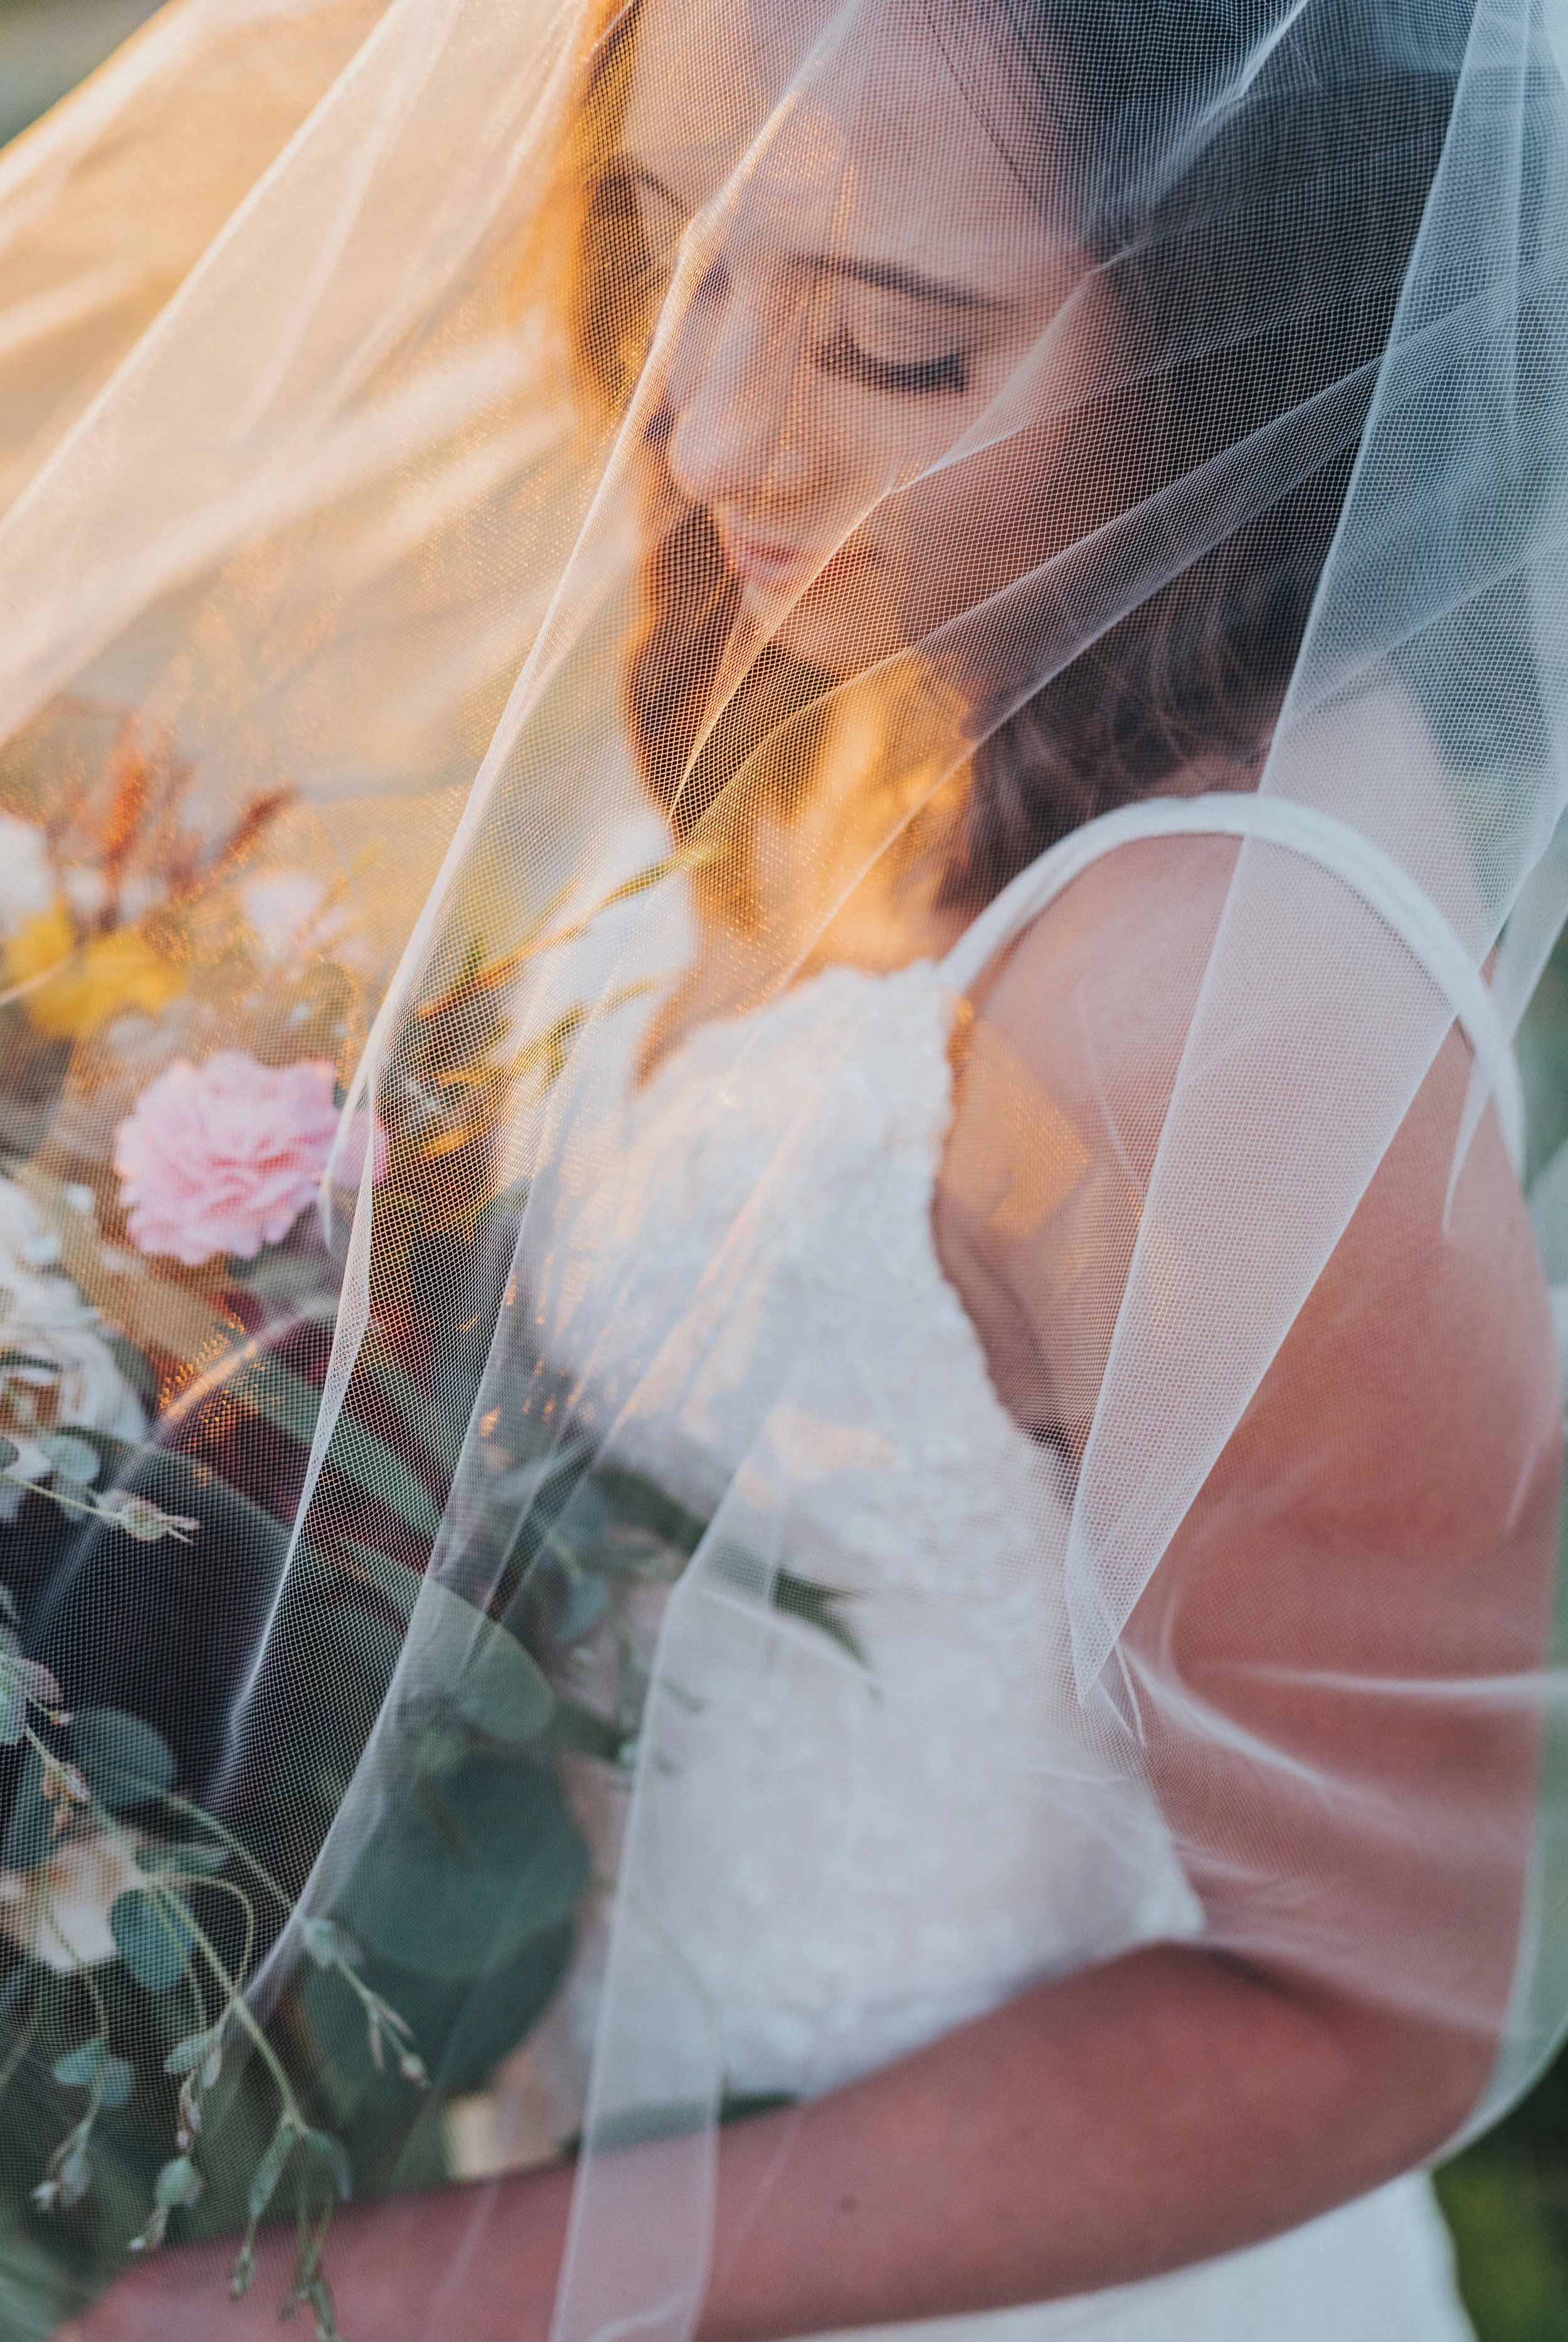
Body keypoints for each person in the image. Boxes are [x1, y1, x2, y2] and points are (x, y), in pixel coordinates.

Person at [7, 0, 1564, 2336]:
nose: (711, 425)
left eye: (892, 346)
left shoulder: (1211, 998)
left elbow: (1363, 2017)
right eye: (671, 253)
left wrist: (346, 2304)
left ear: (1238, 318)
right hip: (571, 2143)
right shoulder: (884, 650)